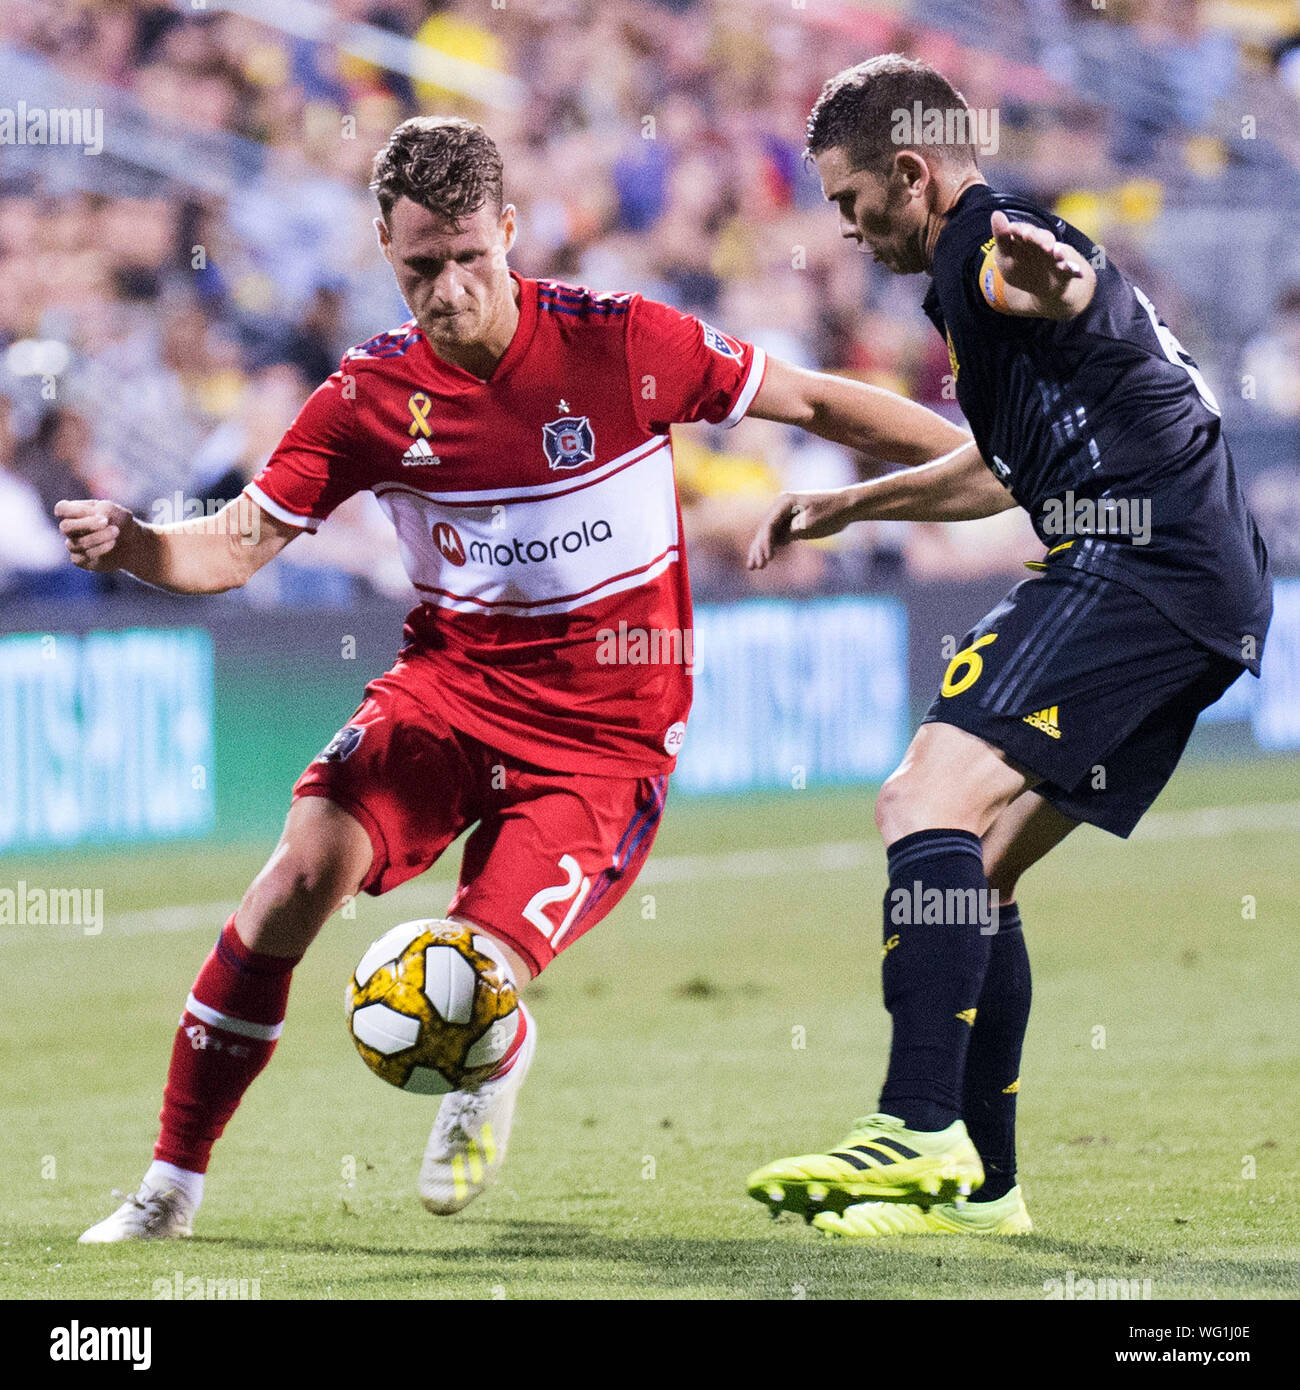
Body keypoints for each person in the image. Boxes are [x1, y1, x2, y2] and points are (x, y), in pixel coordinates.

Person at [63, 116, 972, 1241]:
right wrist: (138, 544)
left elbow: (821, 404)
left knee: (471, 973)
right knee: (292, 880)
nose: (446, 291)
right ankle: (169, 1188)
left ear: (507, 231)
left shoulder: (624, 341)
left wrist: (983, 451)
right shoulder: (365, 401)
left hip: (603, 743)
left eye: (466, 259)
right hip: (444, 700)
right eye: (417, 269)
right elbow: (238, 544)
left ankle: (492, 1050)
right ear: (385, 254)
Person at [745, 55, 1272, 1238]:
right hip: (1206, 589)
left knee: (919, 797)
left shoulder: (988, 247)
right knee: (974, 870)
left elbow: (1055, 281)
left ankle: (916, 1123)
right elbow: (999, 466)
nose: (844, 226)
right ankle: (983, 1190)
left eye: (847, 198)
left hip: (1136, 565)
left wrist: (1062, 277)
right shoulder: (976, 270)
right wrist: (848, 505)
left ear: (912, 173)